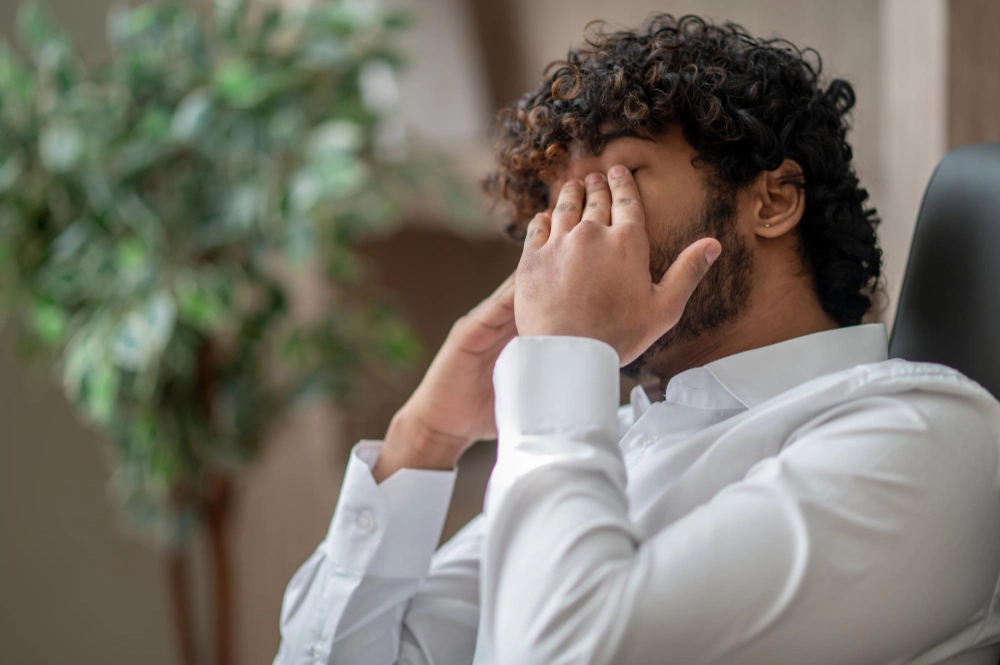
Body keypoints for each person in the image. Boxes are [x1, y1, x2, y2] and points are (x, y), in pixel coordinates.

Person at [274, 14, 1000, 665]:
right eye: (560, 205)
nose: (578, 232)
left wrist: (562, 358)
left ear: (773, 200)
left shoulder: (921, 436)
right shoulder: (610, 440)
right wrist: (425, 436)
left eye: (614, 181)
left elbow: (567, 651)